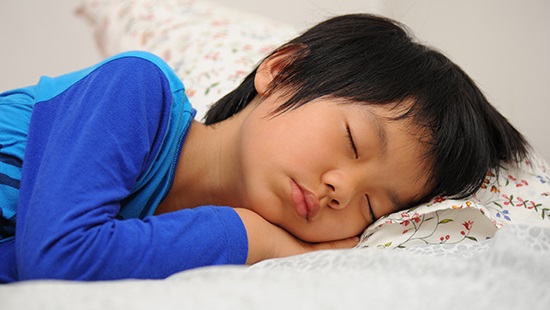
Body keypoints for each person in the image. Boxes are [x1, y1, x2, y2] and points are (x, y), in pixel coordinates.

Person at [0, 14, 528, 283]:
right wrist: (255, 238)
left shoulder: (192, 260)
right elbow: (57, 259)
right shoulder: (136, 89)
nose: (342, 190)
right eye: (352, 141)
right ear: (281, 70)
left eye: (374, 207)